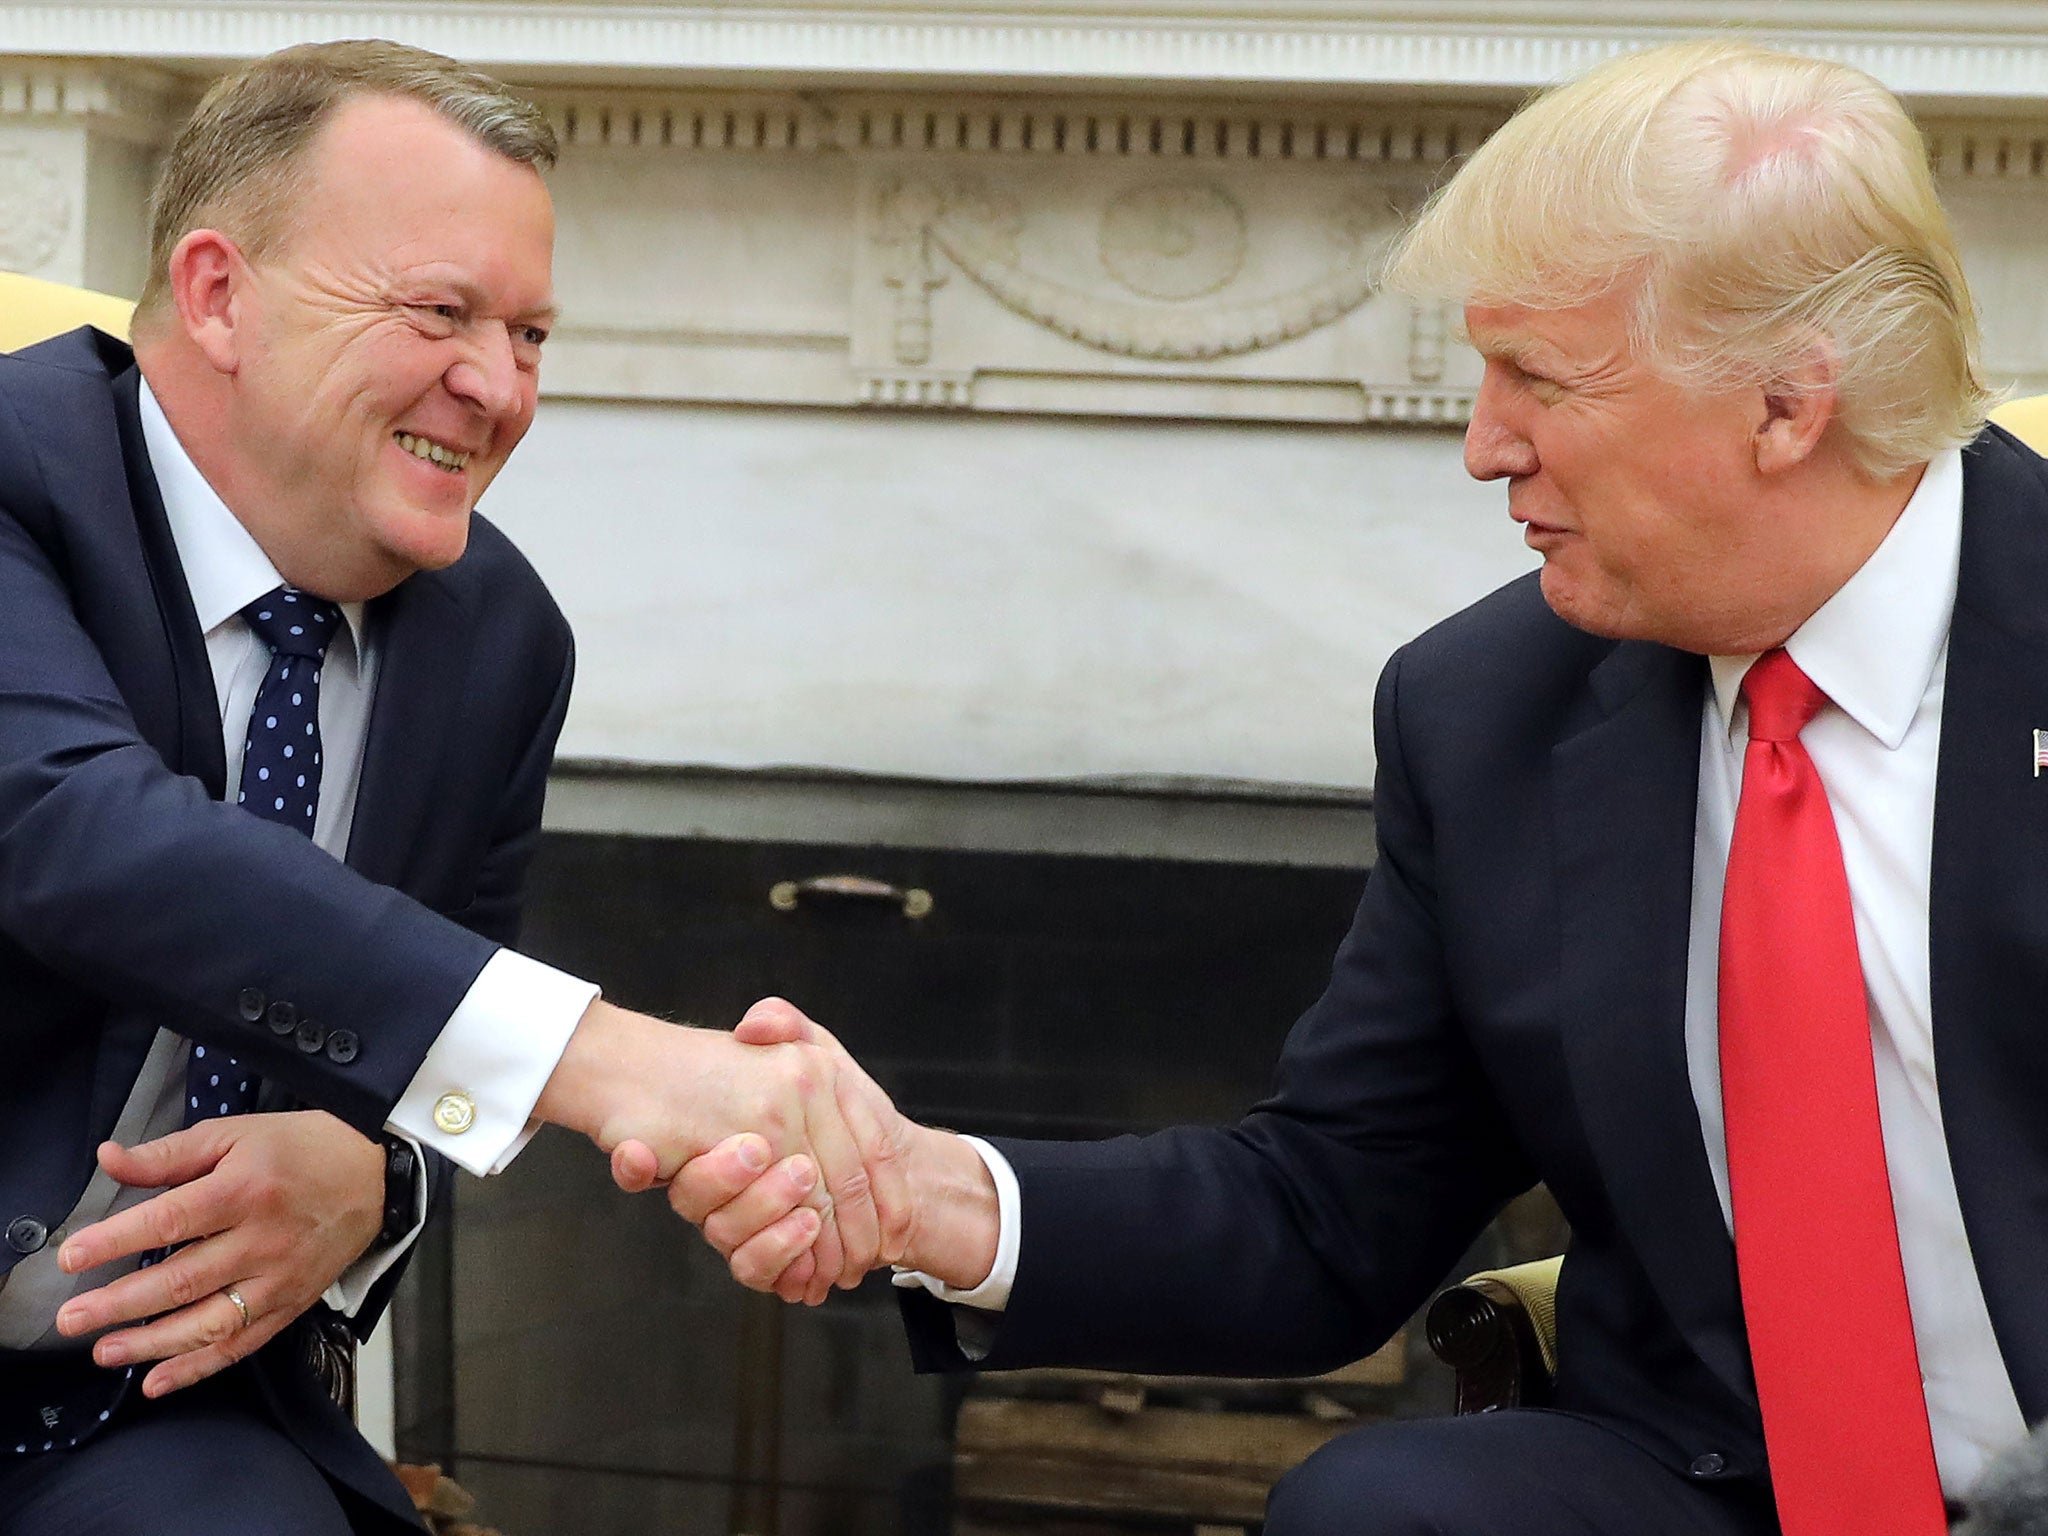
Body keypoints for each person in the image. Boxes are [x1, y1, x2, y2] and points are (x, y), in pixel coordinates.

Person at [664, 39, 2045, 1536]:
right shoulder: (1490, 714)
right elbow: (1332, 1211)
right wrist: (932, 1195)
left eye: (1540, 377)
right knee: (1378, 1509)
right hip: (1713, 1482)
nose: (1482, 444)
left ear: (1787, 408)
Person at [0, 40, 897, 1535]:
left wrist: (372, 1174)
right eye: (441, 313)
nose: (495, 387)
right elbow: (69, 830)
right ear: (221, 294)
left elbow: (408, 1048)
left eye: (531, 333)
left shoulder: (498, 639)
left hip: (147, 1404)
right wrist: (618, 1062)